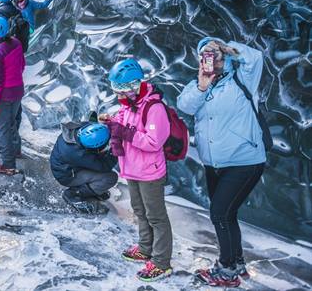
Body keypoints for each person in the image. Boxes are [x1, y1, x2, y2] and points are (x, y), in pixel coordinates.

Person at [178, 37, 267, 288]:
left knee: (220, 213)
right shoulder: (198, 85)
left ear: (224, 56)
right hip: (214, 164)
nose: (211, 60)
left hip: (244, 160)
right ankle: (237, 263)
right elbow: (185, 105)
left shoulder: (243, 79)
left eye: (214, 54)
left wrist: (227, 47)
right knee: (227, 215)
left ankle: (227, 270)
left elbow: (256, 58)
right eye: (204, 55)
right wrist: (202, 86)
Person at [99, 58, 173, 282]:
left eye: (121, 90)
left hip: (149, 172)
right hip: (132, 168)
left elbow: (154, 142)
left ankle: (161, 262)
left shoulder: (154, 108)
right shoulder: (128, 104)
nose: (118, 95)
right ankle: (145, 248)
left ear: (134, 86)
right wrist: (110, 121)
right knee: (140, 212)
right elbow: (122, 122)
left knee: (156, 217)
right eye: (116, 90)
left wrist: (124, 132)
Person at [0, 16, 25, 175]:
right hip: (17, 90)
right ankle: (16, 151)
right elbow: (22, 65)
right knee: (12, 123)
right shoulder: (16, 42)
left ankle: (8, 164)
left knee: (1, 129)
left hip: (3, 95)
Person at [50, 121, 117, 214]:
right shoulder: (77, 153)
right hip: (67, 175)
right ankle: (74, 194)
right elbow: (104, 166)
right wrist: (114, 152)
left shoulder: (78, 130)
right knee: (109, 178)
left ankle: (90, 190)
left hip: (66, 166)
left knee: (99, 168)